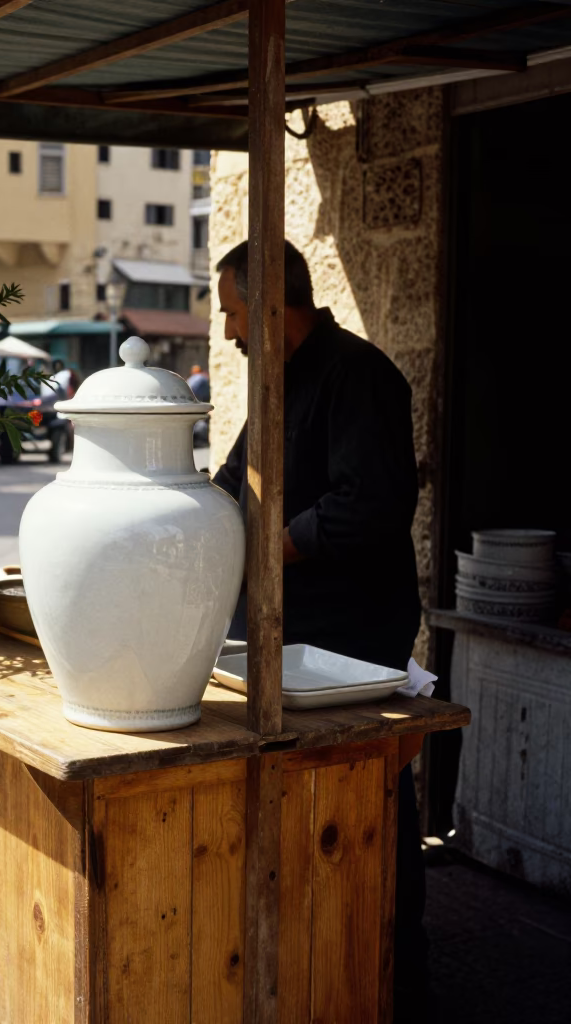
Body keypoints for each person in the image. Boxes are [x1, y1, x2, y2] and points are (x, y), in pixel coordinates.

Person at [211, 240, 430, 1021]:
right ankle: (312, 954)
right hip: (288, 630)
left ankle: (392, 963)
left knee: (370, 788)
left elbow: (370, 505)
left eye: (236, 313)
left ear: (273, 304)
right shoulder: (276, 378)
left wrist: (273, 544)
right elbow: (234, 482)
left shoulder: (360, 376)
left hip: (350, 631)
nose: (231, 332)